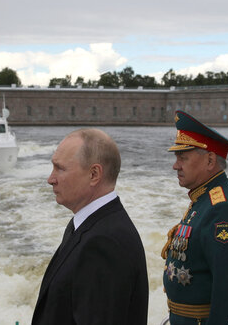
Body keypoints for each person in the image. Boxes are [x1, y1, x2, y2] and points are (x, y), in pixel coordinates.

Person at [32, 128, 148, 325]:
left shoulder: (105, 242)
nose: (50, 179)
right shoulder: (86, 225)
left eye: (60, 168)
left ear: (94, 174)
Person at [161, 111, 228, 324]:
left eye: (183, 158)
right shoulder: (204, 199)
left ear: (210, 160)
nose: (176, 165)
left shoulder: (223, 209)